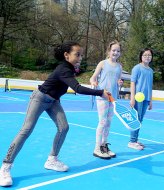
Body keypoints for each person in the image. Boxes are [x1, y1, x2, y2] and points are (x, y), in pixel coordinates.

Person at [0, 41, 110, 187]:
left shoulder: (70, 69)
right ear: (66, 55)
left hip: (53, 101)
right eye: (77, 54)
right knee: (26, 130)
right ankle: (5, 167)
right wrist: (100, 92)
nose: (80, 58)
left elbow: (76, 76)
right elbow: (77, 88)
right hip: (39, 98)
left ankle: (52, 160)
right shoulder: (63, 69)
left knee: (63, 127)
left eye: (81, 55)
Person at [90, 40, 123, 159]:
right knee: (102, 122)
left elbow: (118, 82)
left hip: (112, 98)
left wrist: (120, 83)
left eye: (118, 51)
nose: (115, 52)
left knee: (108, 123)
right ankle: (97, 148)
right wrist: (93, 82)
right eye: (113, 50)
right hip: (102, 96)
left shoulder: (119, 66)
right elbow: (92, 78)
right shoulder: (102, 63)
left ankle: (104, 146)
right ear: (109, 51)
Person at [128, 48, 153, 150]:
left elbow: (150, 86)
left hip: (146, 99)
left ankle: (135, 139)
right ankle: (132, 141)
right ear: (141, 56)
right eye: (145, 55)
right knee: (136, 119)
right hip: (138, 99)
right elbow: (133, 83)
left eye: (149, 55)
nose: (147, 57)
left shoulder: (151, 70)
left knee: (140, 120)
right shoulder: (137, 68)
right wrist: (132, 98)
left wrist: (150, 100)